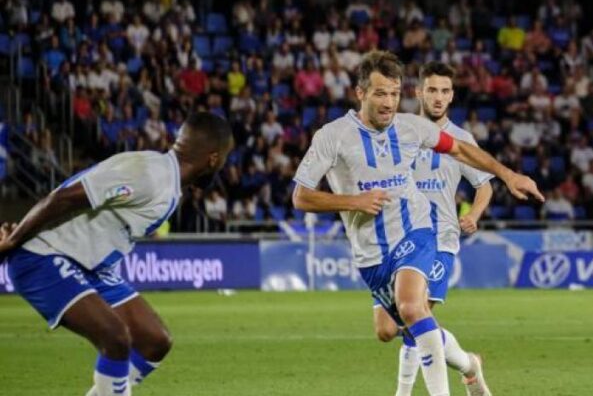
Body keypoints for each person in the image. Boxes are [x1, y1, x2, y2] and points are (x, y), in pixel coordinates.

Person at [291, 51, 542, 396]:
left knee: (411, 308)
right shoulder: (332, 136)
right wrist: (353, 201)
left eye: (394, 93)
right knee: (390, 330)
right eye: (380, 93)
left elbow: (460, 150)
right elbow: (301, 197)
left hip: (419, 232)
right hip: (371, 252)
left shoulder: (411, 127)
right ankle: (469, 364)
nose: (389, 103)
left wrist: (509, 175)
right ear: (361, 93)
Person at [0, 112, 233, 396]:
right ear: (213, 159)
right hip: (43, 255)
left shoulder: (168, 182)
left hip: (89, 266)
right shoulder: (148, 174)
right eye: (224, 159)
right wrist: (14, 240)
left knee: (154, 340)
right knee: (116, 337)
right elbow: (63, 197)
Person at [377, 61, 496, 396]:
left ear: (452, 95)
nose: (438, 97)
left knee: (416, 316)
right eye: (432, 90)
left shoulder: (462, 139)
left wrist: (474, 214)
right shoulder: (400, 132)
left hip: (441, 238)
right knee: (387, 328)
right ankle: (470, 365)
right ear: (419, 92)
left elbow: (484, 186)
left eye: (445, 91)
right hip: (400, 238)